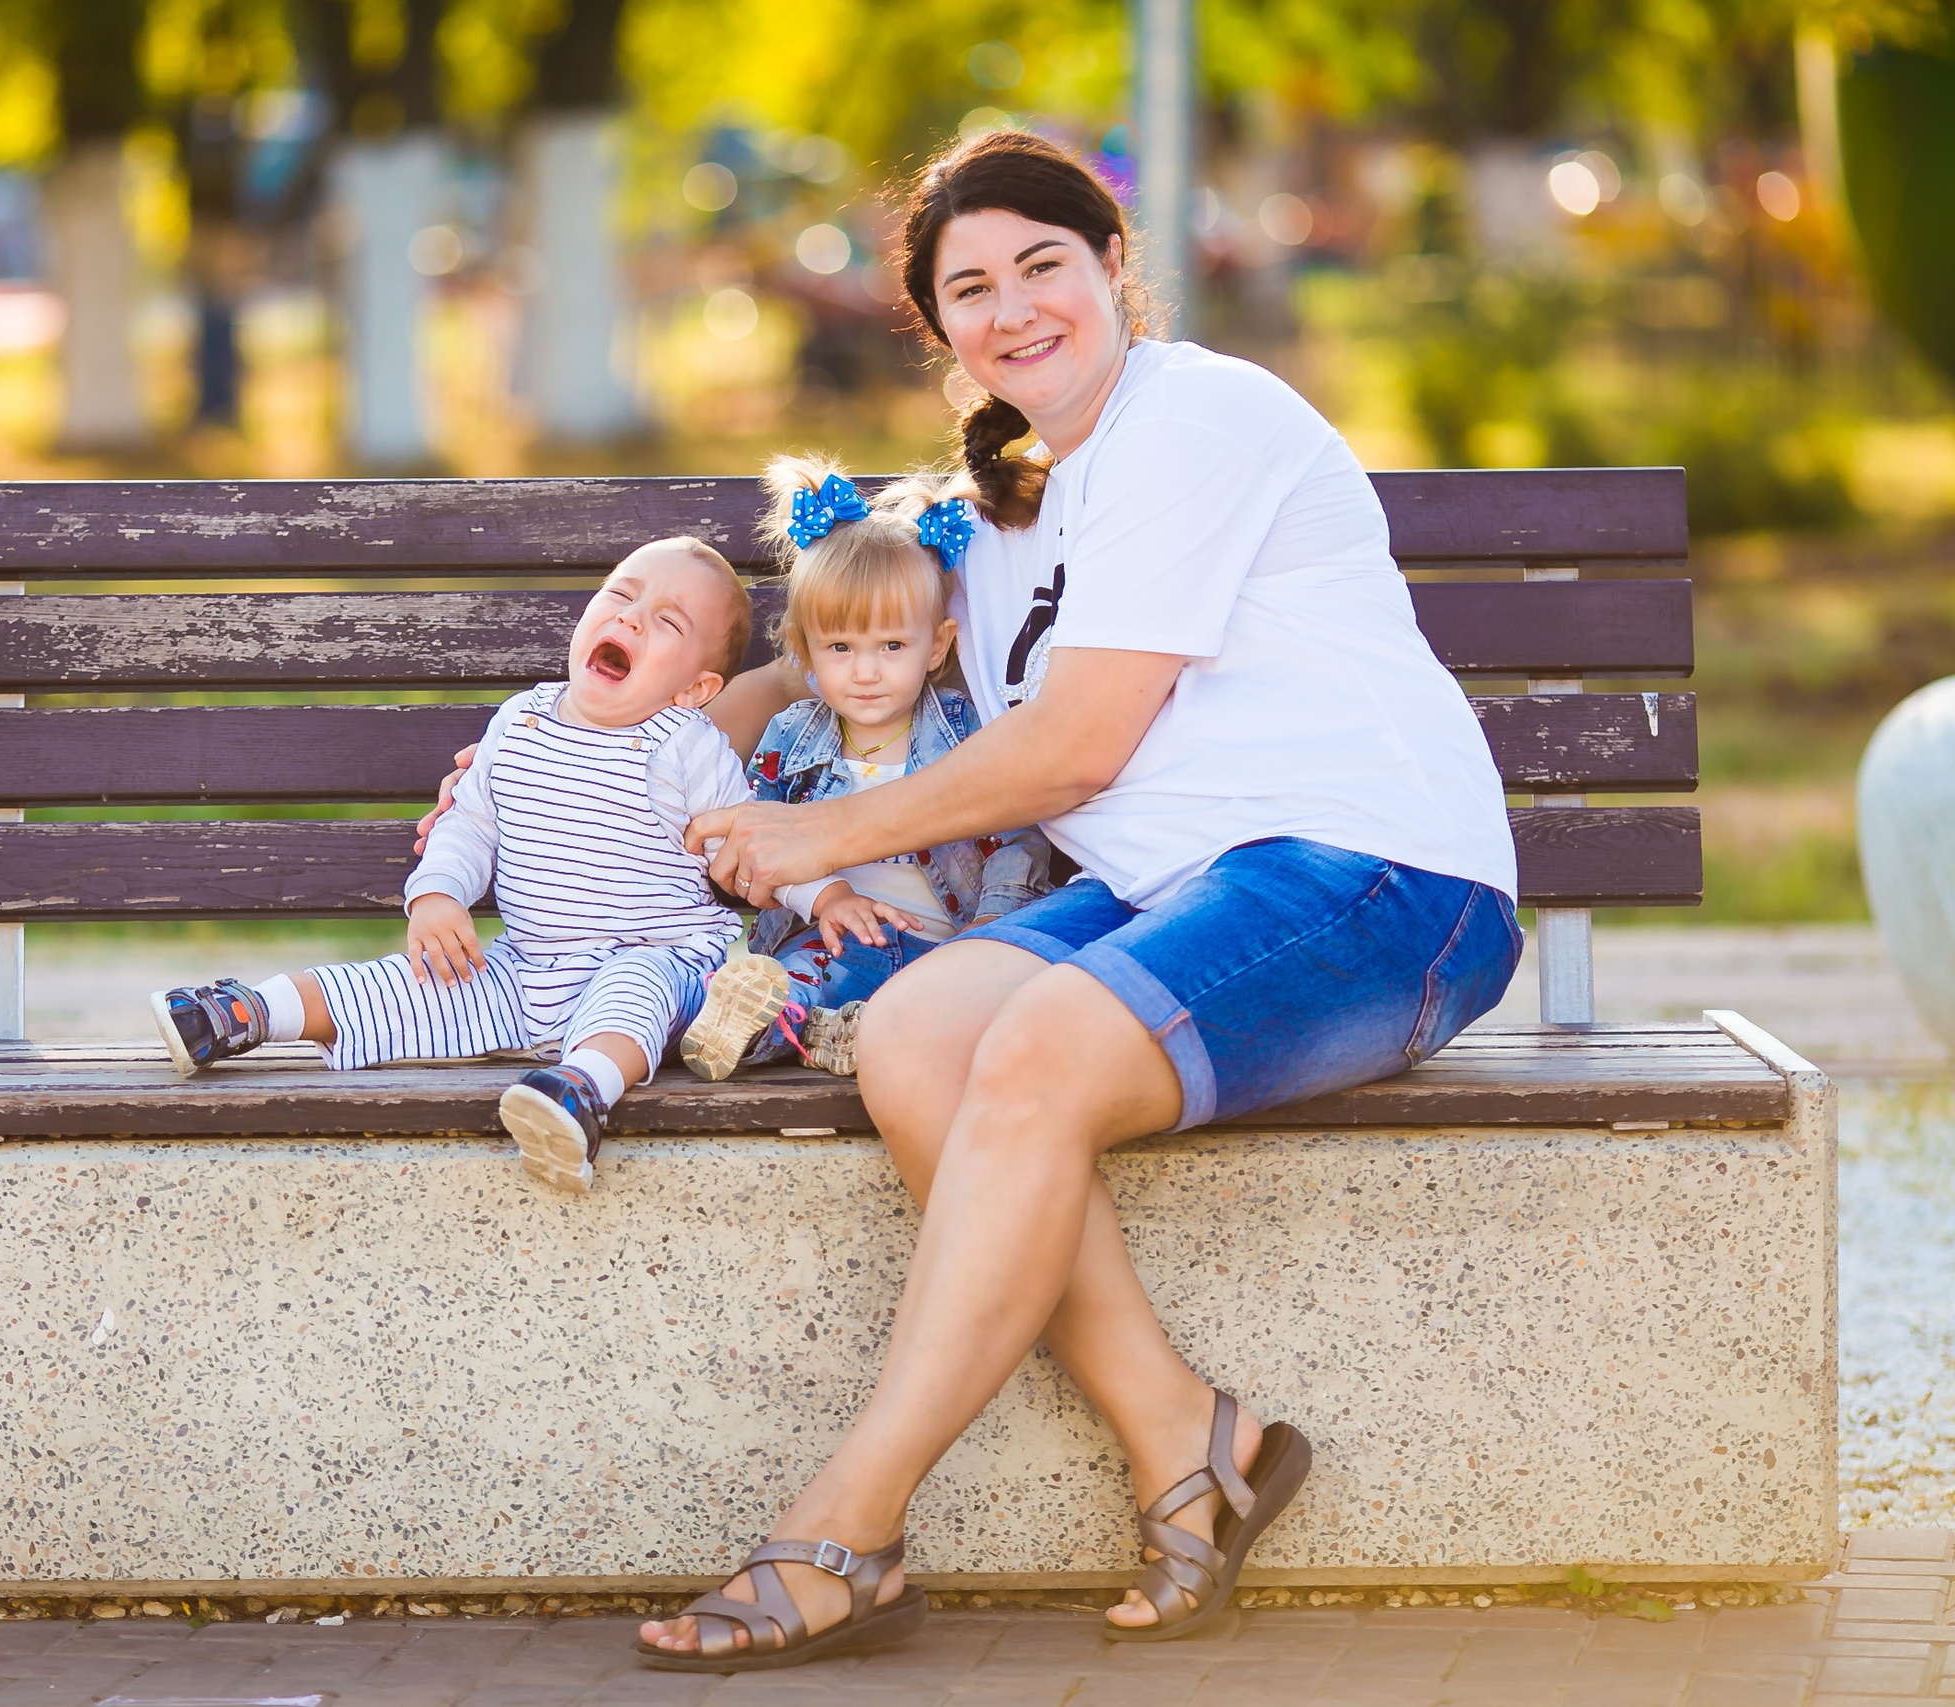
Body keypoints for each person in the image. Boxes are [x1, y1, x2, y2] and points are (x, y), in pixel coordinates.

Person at [622, 129, 1522, 1667]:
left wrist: (812, 843)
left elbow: (1076, 743)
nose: (1014, 306)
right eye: (970, 287)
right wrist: (584, 755)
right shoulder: (1011, 501)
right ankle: (1191, 1437)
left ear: (1113, 267)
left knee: (1029, 1045)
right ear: (939, 328)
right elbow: (839, 649)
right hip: (1182, 886)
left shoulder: (1201, 415)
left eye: (1044, 263)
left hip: (1381, 873)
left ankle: (849, 1520)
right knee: (915, 1036)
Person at [150, 536, 851, 1194]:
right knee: (401, 985)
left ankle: (579, 1091)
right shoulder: (520, 722)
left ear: (695, 689)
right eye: (620, 596)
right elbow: (469, 825)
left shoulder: (686, 745)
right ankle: (244, 1011)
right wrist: (436, 898)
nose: (631, 620)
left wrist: (824, 897)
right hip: (526, 970)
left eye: (665, 622)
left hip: (658, 960)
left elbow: (753, 841)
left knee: (632, 990)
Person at [676, 455, 1052, 1082]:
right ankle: (770, 1030)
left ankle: (856, 1033)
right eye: (842, 648)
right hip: (830, 944)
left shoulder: (967, 732)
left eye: (893, 646)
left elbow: (1015, 833)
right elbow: (751, 849)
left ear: (937, 645)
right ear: (806, 652)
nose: (867, 671)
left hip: (947, 948)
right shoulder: (789, 740)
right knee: (794, 981)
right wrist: (823, 901)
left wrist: (990, 929)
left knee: (978, 1008)